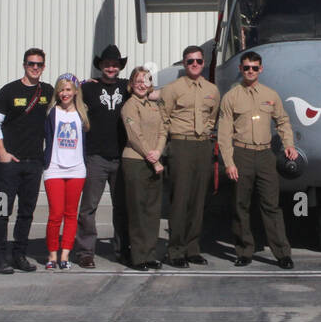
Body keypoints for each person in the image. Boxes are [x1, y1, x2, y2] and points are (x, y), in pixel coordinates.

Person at [218, 51, 297, 268]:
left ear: (260, 69)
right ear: (240, 69)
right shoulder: (231, 97)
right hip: (241, 154)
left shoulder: (270, 95)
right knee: (240, 205)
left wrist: (289, 144)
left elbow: (283, 121)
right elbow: (223, 133)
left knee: (271, 205)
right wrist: (229, 162)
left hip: (265, 155)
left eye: (254, 67)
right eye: (246, 68)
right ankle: (244, 251)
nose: (250, 71)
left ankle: (282, 253)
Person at [0, 47, 53, 274]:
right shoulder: (9, 90)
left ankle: (19, 255)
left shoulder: (47, 91)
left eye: (39, 64)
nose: (35, 67)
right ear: (24, 65)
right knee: (1, 210)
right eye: (31, 63)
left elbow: (68, 99)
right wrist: (2, 152)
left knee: (27, 212)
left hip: (33, 163)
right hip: (8, 164)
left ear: (44, 67)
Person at [159, 45, 221, 267]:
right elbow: (163, 119)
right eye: (190, 61)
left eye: (198, 61)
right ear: (184, 64)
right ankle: (175, 250)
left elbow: (212, 117)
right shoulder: (172, 89)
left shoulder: (212, 90)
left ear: (203, 63)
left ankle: (192, 248)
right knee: (180, 199)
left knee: (199, 200)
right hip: (181, 145)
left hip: (202, 146)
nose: (195, 65)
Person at [74, 44, 132, 268]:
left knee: (122, 207)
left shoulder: (127, 87)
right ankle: (85, 251)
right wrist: (79, 82)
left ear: (119, 67)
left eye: (115, 64)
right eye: (107, 64)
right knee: (88, 207)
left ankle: (122, 248)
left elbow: (148, 89)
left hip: (121, 155)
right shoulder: (88, 89)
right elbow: (64, 91)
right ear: (100, 66)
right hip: (95, 156)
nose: (111, 67)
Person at [120, 66, 167, 271]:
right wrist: (153, 158)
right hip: (136, 161)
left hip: (154, 160)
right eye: (137, 81)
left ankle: (150, 254)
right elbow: (134, 136)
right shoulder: (130, 106)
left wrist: (159, 151)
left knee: (152, 210)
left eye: (146, 81)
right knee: (138, 211)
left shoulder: (154, 106)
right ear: (131, 84)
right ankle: (138, 257)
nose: (141, 84)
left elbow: (164, 129)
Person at [42, 74, 88, 270]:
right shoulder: (52, 112)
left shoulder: (82, 113)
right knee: (55, 214)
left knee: (71, 214)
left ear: (75, 91)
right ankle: (52, 255)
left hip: (77, 169)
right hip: (54, 168)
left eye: (68, 89)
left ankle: (65, 255)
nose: (64, 93)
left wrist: (90, 81)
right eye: (61, 89)